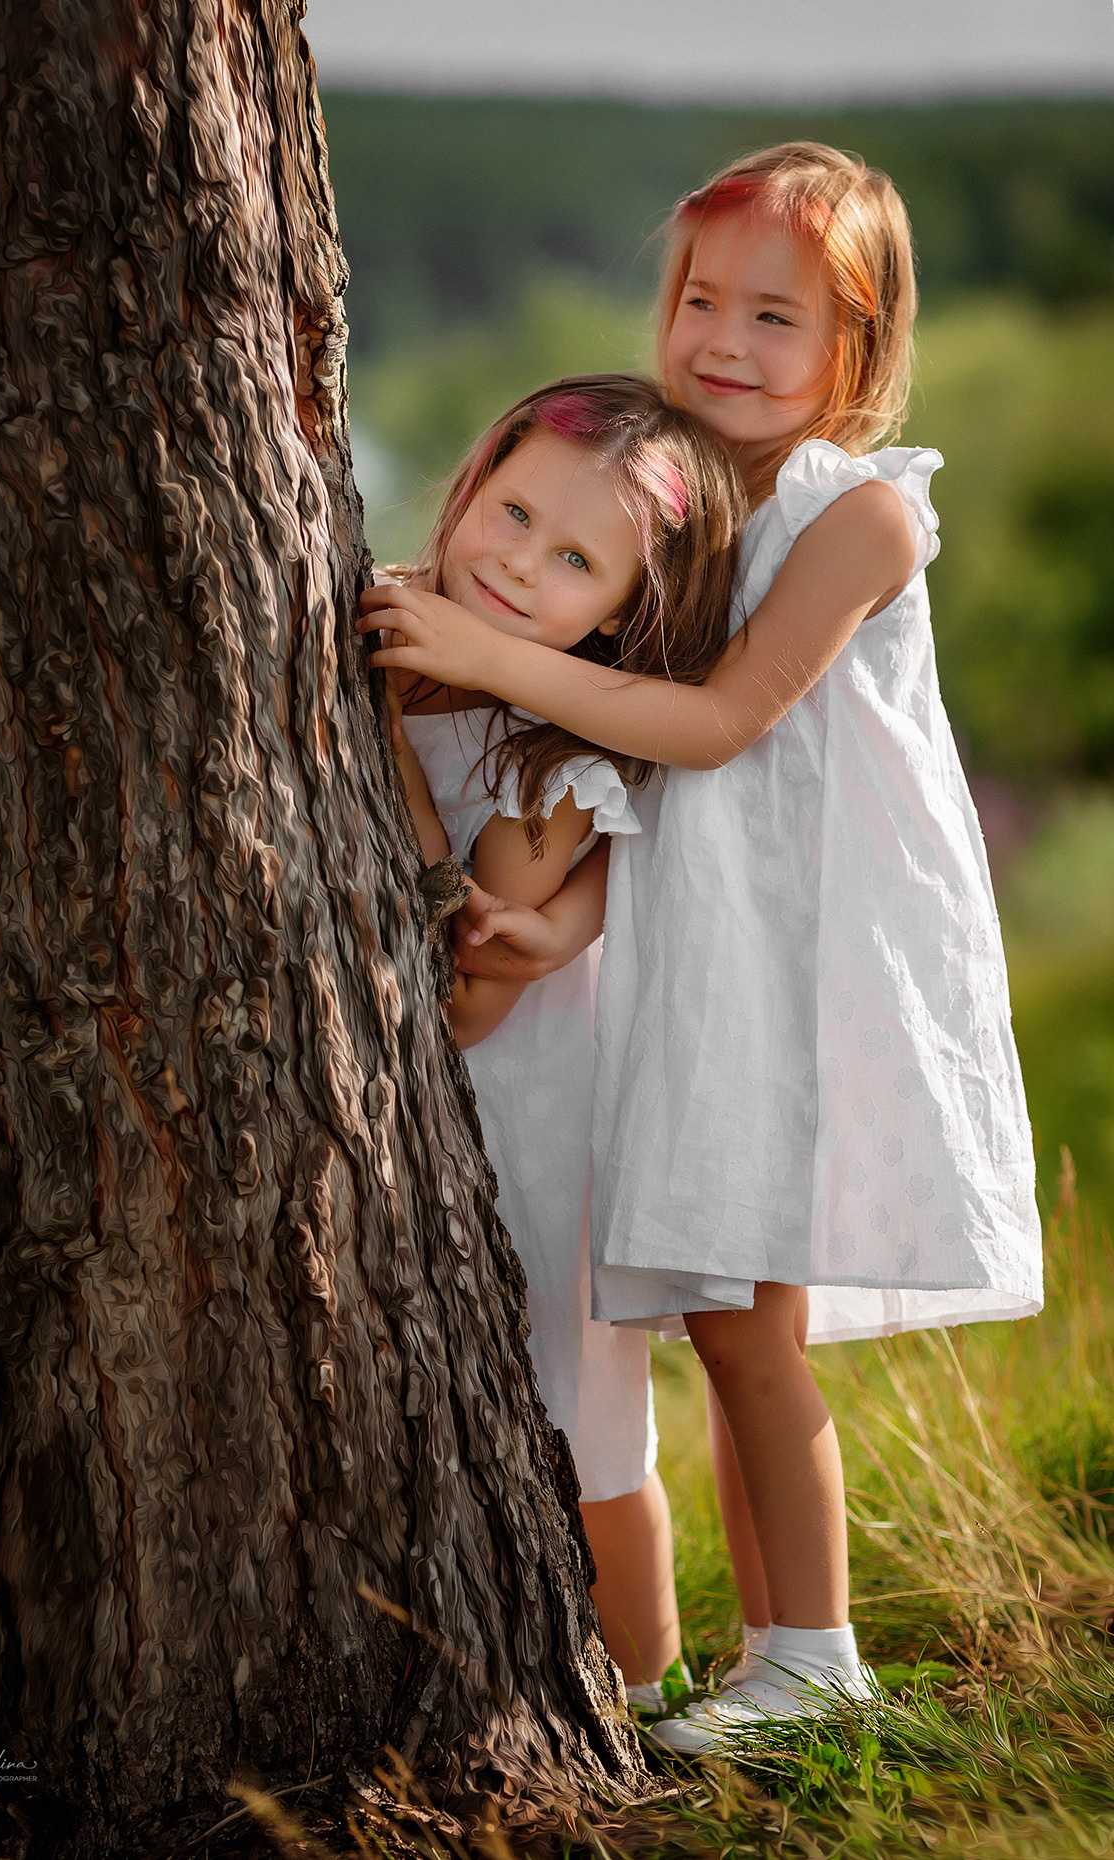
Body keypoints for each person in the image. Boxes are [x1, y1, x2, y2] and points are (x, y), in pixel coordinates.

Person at [360, 144, 1043, 1751]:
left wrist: (472, 645)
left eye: (777, 317)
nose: (724, 341)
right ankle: (753, 1655)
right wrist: (560, 917)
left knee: (751, 1330)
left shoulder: (863, 514)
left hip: (797, 973)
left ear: (858, 354)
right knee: (717, 1317)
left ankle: (811, 1658)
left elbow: (723, 729)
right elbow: (636, 789)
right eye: (700, 300)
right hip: (682, 950)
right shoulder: (677, 498)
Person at [381, 373, 746, 1708]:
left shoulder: (559, 754)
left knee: (584, 1423)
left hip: (539, 1124)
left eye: (576, 558)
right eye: (513, 508)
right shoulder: (370, 618)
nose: (520, 563)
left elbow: (473, 994)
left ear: (623, 614)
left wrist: (393, 758)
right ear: (473, 477)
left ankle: (645, 1686)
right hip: (389, 1131)